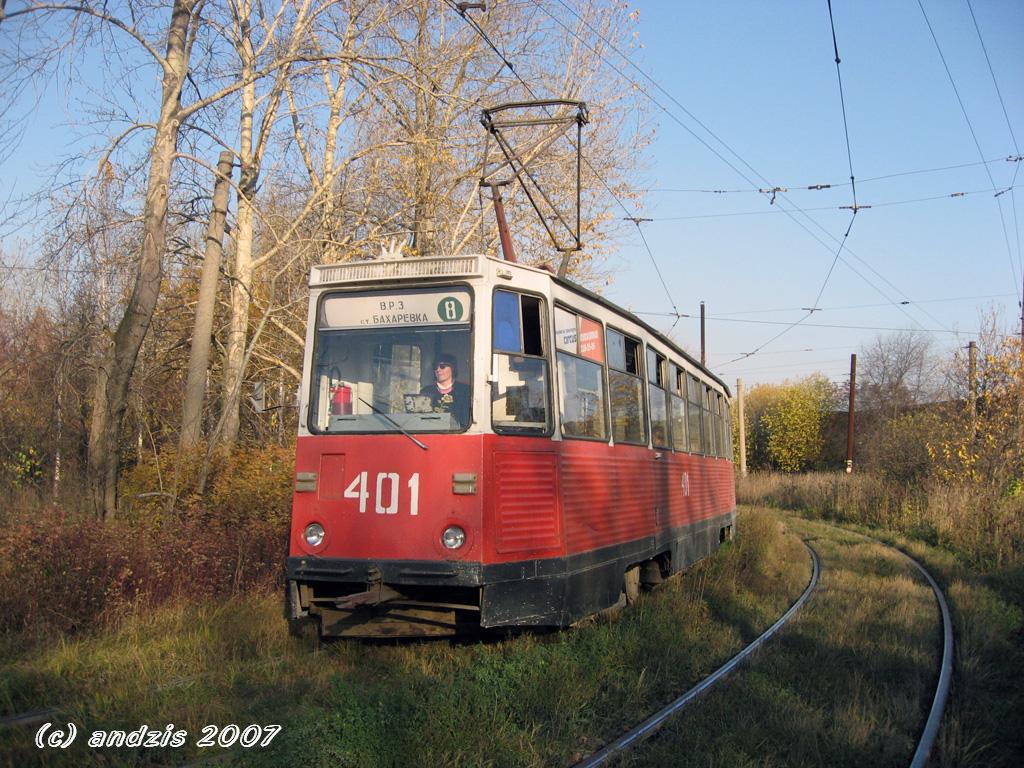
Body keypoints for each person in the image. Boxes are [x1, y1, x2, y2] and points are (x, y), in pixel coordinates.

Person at [420, 353, 471, 427]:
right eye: (435, 367)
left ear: (452, 368)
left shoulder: (465, 391)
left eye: (442, 366)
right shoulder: (426, 391)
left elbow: (466, 420)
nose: (438, 370)